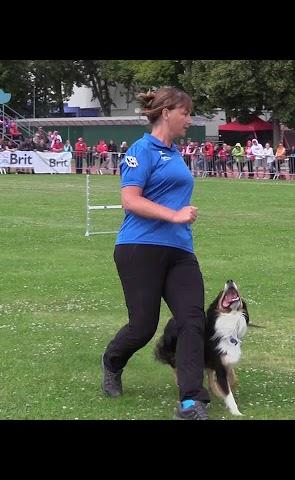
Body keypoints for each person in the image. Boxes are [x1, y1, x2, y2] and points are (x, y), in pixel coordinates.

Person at [100, 86, 210, 420]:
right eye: (185, 113)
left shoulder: (176, 153)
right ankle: (112, 362)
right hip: (139, 248)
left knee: (193, 321)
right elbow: (130, 199)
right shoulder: (140, 149)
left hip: (180, 250)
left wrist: (179, 221)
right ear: (166, 112)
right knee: (143, 326)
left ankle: (191, 401)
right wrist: (173, 214)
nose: (189, 120)